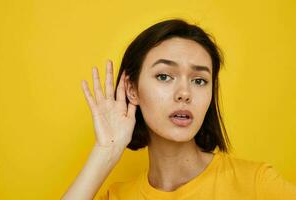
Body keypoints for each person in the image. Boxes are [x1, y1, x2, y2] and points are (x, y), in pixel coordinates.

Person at [61, 18, 296, 200]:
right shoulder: (119, 196)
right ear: (132, 89)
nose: (184, 93)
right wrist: (105, 151)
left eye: (199, 80)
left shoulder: (256, 184)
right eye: (164, 76)